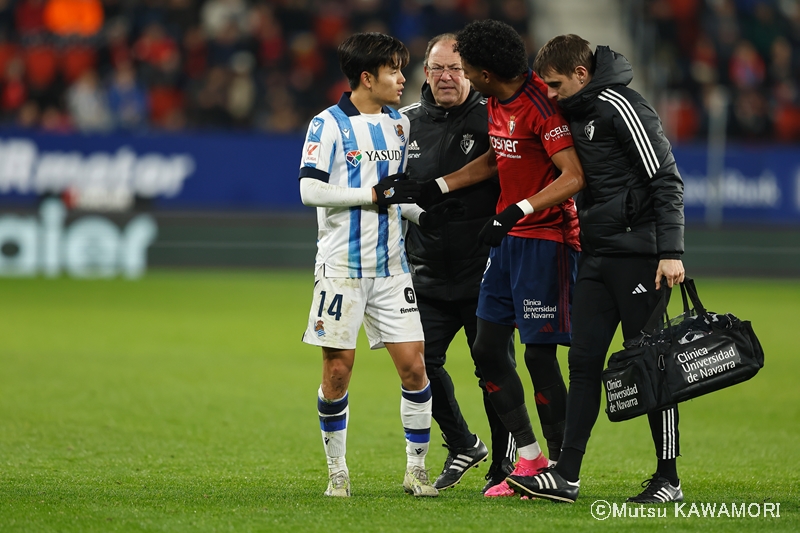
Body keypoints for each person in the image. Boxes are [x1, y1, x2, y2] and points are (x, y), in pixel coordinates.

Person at [505, 34, 686, 504]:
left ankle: (668, 478)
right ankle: (567, 475)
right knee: (583, 363)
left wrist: (672, 252)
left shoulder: (620, 106)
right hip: (596, 255)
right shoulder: (575, 111)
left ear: (581, 75)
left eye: (555, 84)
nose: (549, 93)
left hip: (640, 258)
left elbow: (666, 179)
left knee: (650, 363)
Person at [417, 20, 585, 498]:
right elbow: (496, 158)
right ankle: (528, 459)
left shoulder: (541, 106)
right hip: (509, 240)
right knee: (488, 349)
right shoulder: (495, 99)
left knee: (539, 356)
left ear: (485, 72)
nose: (461, 73)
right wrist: (440, 185)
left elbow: (573, 176)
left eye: (467, 66)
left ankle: (561, 469)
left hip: (547, 241)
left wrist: (518, 209)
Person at [298, 32, 438, 498]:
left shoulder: (400, 125)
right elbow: (310, 191)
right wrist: (371, 196)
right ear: (366, 77)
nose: (403, 78)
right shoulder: (327, 125)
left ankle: (416, 469)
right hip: (341, 268)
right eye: (395, 70)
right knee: (337, 373)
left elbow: (395, 197)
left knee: (415, 368)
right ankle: (337, 469)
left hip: (392, 267)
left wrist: (425, 213)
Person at [398, 33, 518, 493]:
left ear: (469, 72)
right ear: (424, 73)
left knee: (493, 366)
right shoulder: (404, 123)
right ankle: (463, 442)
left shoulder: (493, 115)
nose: (447, 77)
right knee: (418, 364)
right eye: (438, 69)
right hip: (425, 270)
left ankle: (504, 464)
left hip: (483, 269)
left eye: (456, 69)